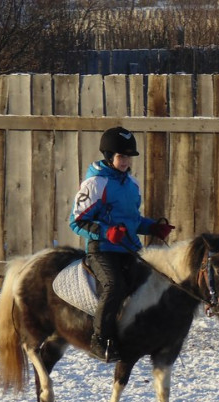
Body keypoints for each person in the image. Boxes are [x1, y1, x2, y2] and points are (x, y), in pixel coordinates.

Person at [70, 126, 174, 361]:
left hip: (130, 249)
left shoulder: (132, 184)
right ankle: (100, 340)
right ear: (108, 156)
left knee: (155, 282)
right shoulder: (95, 184)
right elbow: (77, 222)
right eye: (121, 156)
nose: (126, 161)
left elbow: (133, 221)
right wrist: (107, 233)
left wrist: (153, 227)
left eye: (128, 157)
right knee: (114, 286)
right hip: (103, 250)